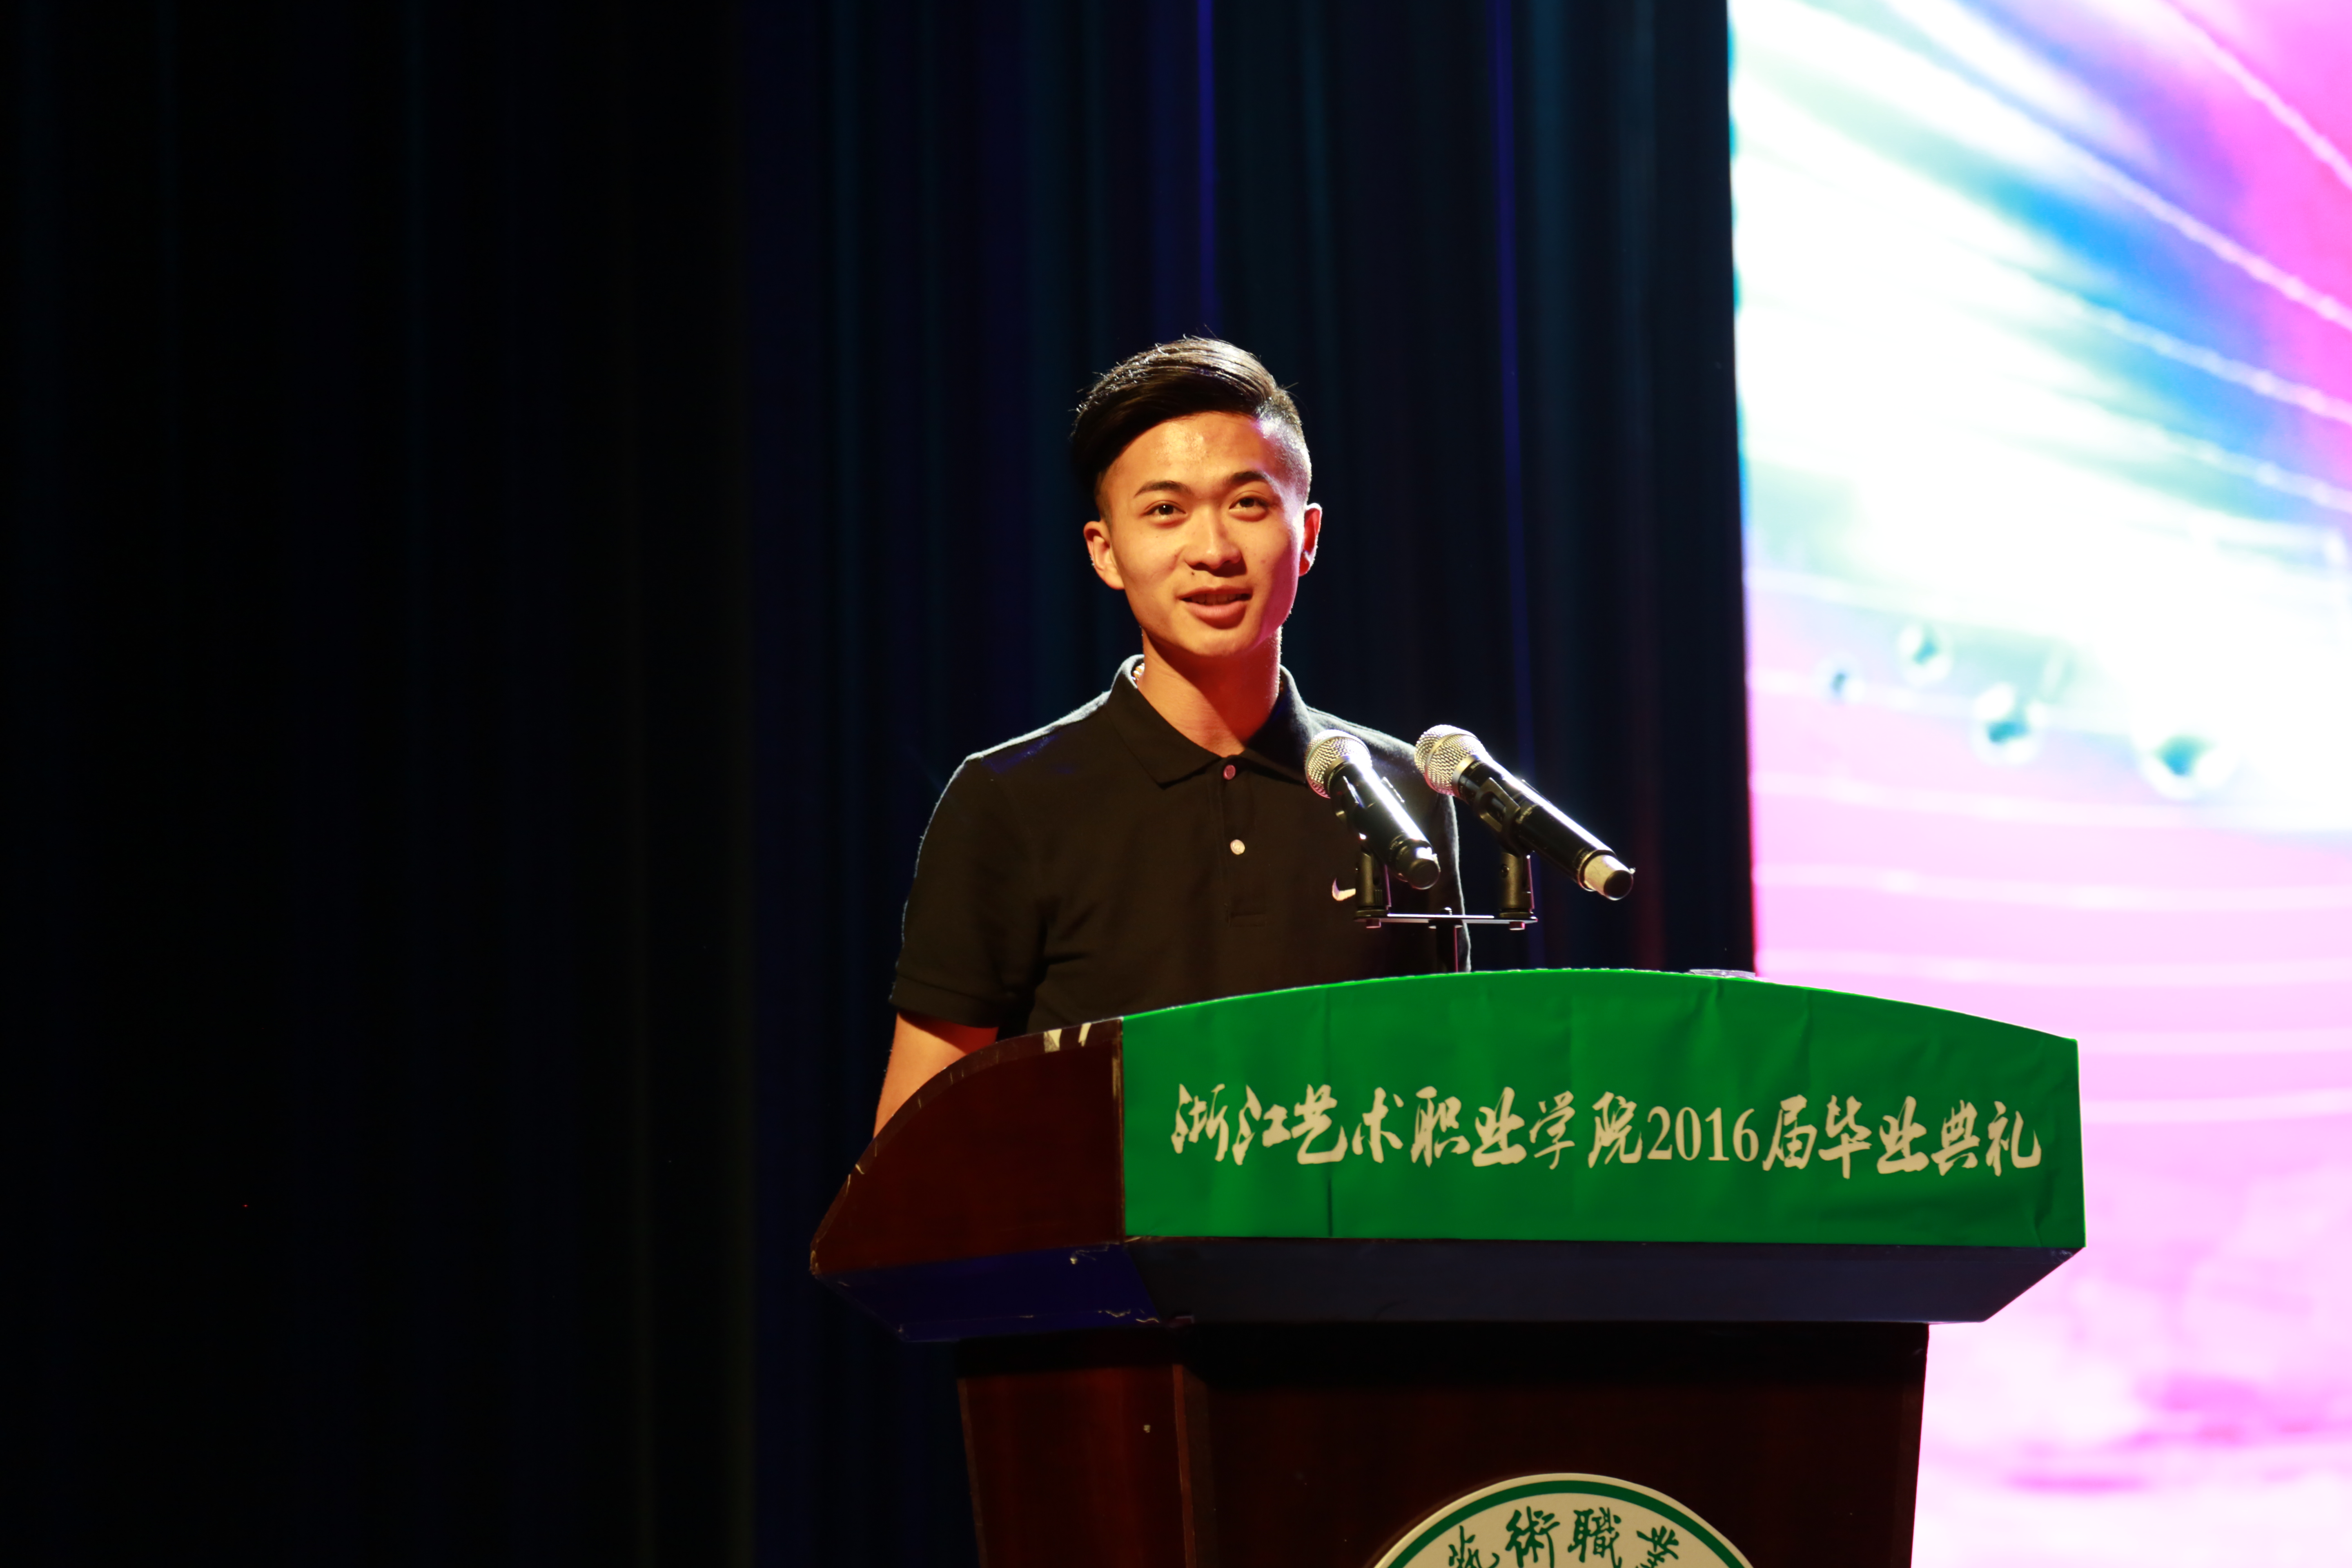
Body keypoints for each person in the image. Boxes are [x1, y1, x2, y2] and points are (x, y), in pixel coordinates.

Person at [872, 339, 1463, 1131]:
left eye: (1249, 504)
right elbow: (919, 1132)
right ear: (1106, 552)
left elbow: (1443, 1092)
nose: (1213, 552)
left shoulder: (1401, 791)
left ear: (1309, 535)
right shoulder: (1009, 802)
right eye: (1165, 511)